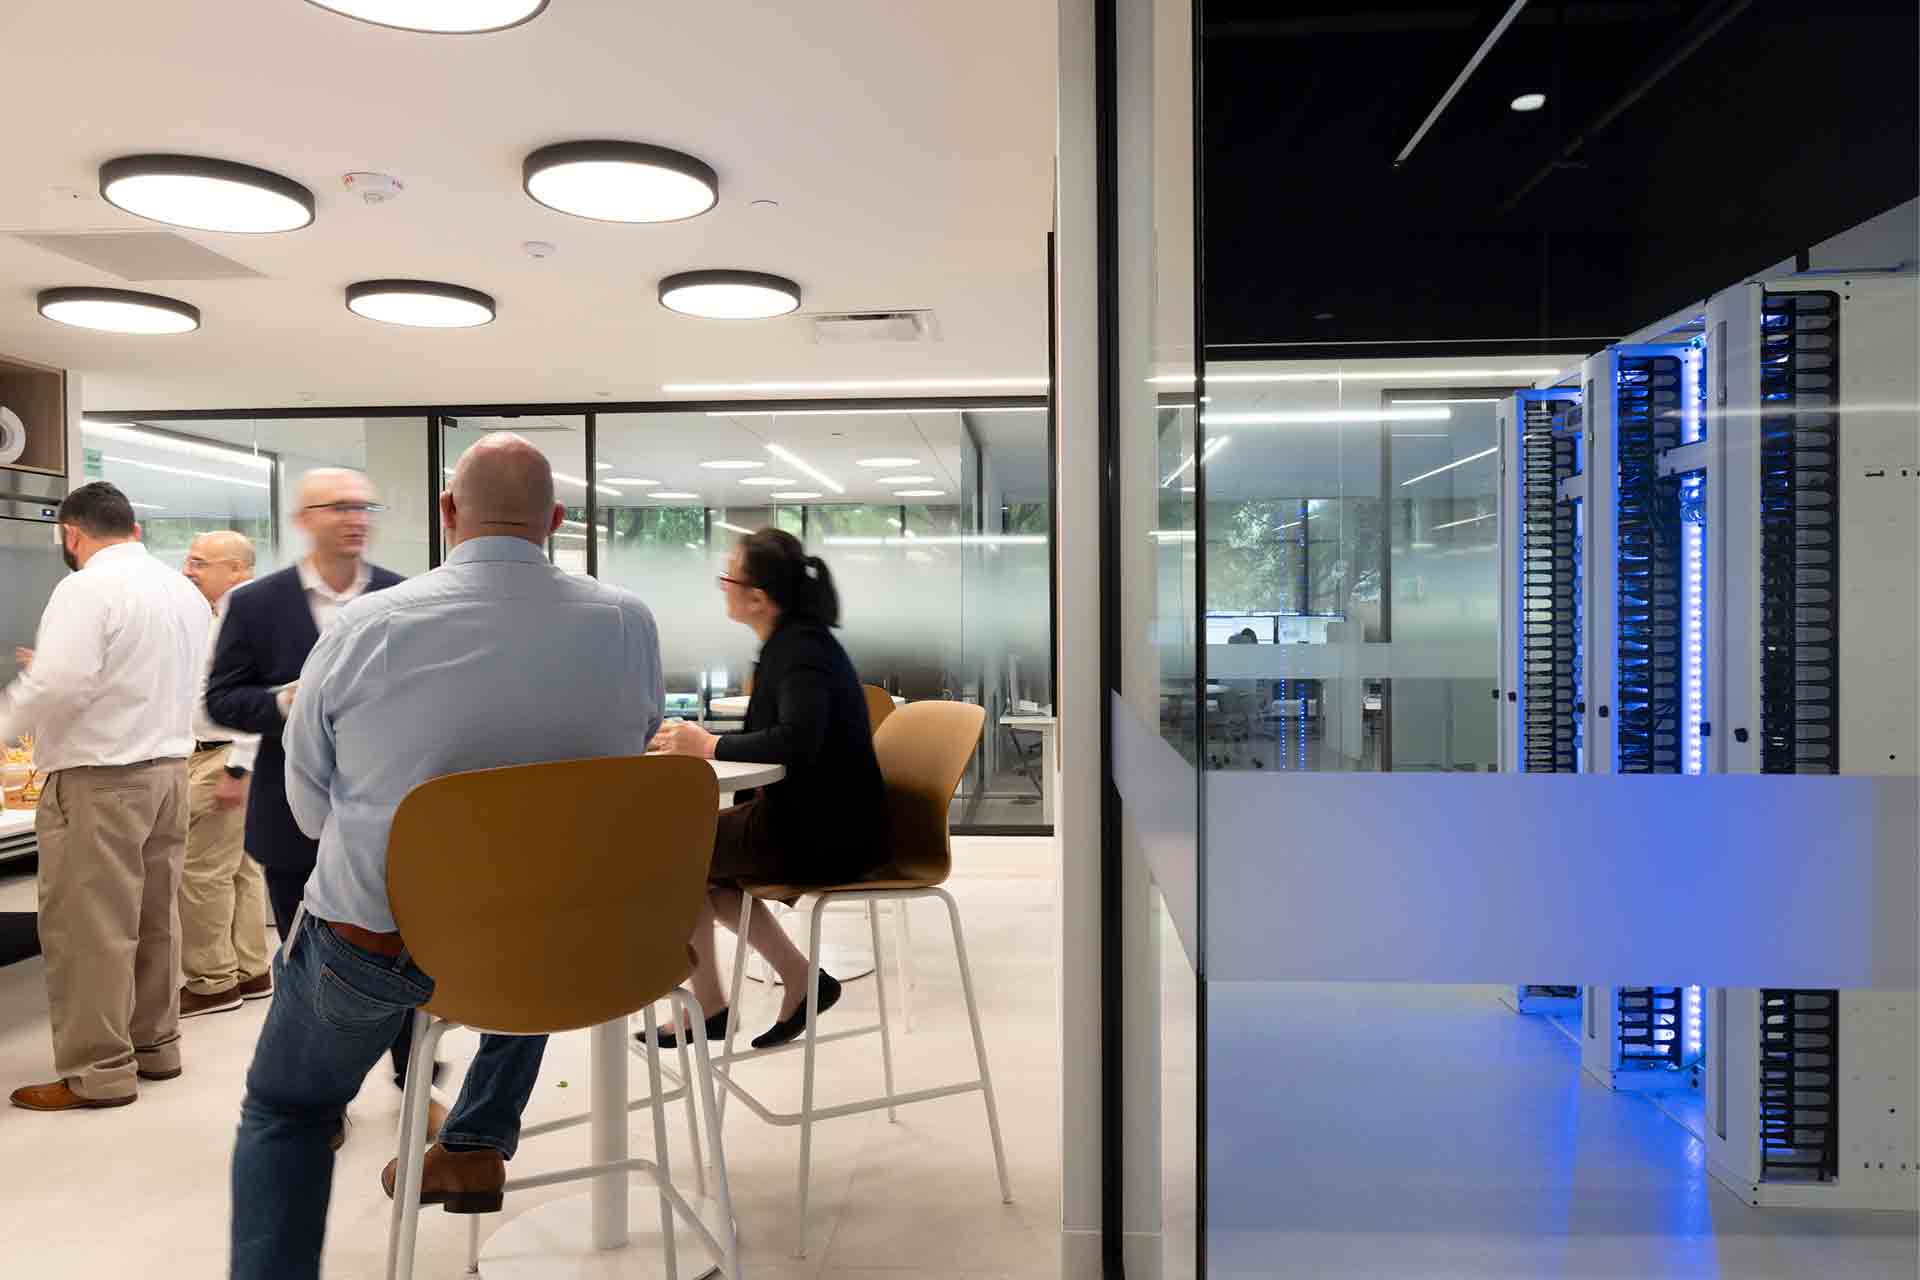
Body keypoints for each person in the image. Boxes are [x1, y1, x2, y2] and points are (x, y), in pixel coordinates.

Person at [229, 433, 665, 1280]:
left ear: (447, 514)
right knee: (535, 907)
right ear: (558, 522)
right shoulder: (626, 620)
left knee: (287, 1107)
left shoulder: (368, 625)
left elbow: (311, 805)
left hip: (378, 950)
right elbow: (637, 745)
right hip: (564, 945)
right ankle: (473, 1141)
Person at [204, 469, 427, 1122]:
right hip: (291, 809)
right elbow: (221, 699)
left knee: (406, 946)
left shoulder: (402, 597)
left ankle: (415, 1084)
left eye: (365, 506)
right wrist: (281, 703)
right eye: (339, 507)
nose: (356, 518)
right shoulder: (256, 603)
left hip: (388, 810)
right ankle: (318, 1100)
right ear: (303, 518)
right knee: (305, 959)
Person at [0, 482, 209, 1111]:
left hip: (101, 779)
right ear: (135, 528)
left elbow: (56, 682)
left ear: (71, 532)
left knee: (91, 931)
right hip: (170, 772)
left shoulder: (85, 586)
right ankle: (156, 1047)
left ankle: (98, 1073)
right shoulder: (181, 591)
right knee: (155, 920)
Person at [650, 528, 887, 1051]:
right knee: (704, 868)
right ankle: (789, 983)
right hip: (825, 823)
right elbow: (785, 739)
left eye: (727, 578)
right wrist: (700, 743)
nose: (723, 589)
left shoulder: (799, 651)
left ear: (757, 597)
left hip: (824, 836)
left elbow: (795, 741)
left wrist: (708, 745)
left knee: (676, 853)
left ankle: (710, 1006)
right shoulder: (797, 643)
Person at [176, 530, 273, 1017]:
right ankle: (251, 970)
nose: (187, 570)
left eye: (199, 562)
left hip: (225, 756)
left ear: (236, 568)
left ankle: (213, 982)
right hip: (228, 754)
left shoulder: (246, 619)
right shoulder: (225, 616)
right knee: (237, 868)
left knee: (201, 872)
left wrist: (238, 767)